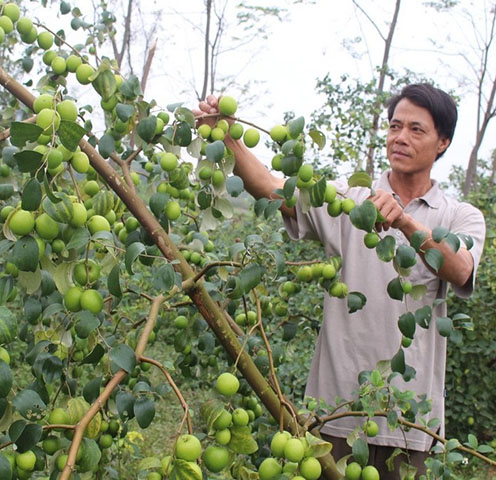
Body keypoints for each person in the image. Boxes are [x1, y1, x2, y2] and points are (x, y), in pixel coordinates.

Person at [195, 84, 485, 478]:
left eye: (416, 130)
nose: (400, 137)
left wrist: (404, 221)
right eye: (395, 126)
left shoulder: (460, 217)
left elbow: (461, 268)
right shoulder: (350, 199)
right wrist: (227, 136)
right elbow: (270, 188)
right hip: (333, 416)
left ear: (443, 143)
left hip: (410, 426)